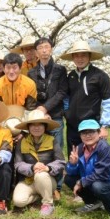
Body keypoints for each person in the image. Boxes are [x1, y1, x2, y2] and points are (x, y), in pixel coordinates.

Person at [65, 119, 110, 219]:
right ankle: (93, 202)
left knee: (98, 186)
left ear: (99, 133)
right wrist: (73, 164)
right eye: (84, 133)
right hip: (95, 182)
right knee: (69, 179)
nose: (88, 135)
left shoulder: (104, 148)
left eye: (91, 132)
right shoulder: (80, 148)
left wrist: (81, 182)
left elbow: (102, 175)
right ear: (80, 135)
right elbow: (72, 173)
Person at [27, 37, 68, 199]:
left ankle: (56, 185)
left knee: (56, 149)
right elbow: (30, 95)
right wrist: (40, 110)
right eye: (40, 48)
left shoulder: (60, 70)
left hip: (55, 115)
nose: (44, 51)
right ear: (36, 53)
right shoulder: (31, 73)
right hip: (38, 117)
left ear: (51, 49)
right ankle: (41, 182)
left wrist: (46, 108)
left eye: (47, 47)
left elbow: (61, 92)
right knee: (40, 150)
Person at [60, 41, 110, 157]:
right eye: (76, 55)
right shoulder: (71, 76)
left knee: (92, 157)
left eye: (83, 55)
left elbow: (108, 101)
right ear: (72, 58)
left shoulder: (100, 76)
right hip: (72, 126)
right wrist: (67, 113)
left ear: (89, 56)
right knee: (73, 156)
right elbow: (66, 98)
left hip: (91, 126)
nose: (80, 59)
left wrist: (104, 126)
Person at [12, 110, 65, 216]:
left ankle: (48, 204)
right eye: (33, 125)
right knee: (18, 202)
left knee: (41, 174)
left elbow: (61, 162)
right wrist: (32, 167)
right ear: (28, 127)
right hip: (28, 180)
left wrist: (48, 168)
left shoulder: (52, 140)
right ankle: (42, 195)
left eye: (40, 124)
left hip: (47, 179)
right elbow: (18, 164)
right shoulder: (22, 142)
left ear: (45, 126)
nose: (36, 128)